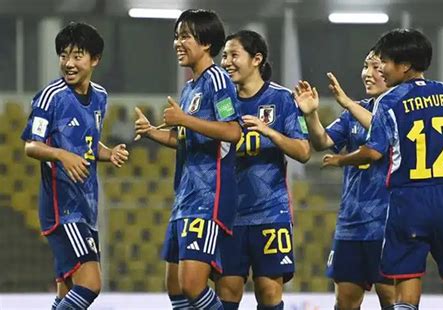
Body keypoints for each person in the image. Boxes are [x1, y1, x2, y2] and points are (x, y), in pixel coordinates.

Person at [322, 29, 443, 310]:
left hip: (407, 204)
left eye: (386, 62)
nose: (381, 68)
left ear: (404, 65)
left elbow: (374, 151)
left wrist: (341, 160)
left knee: (405, 294)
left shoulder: (389, 102)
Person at [134, 9, 241, 310]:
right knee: (176, 286)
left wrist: (184, 119)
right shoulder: (190, 88)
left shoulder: (217, 80)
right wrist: (154, 132)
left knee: (193, 284)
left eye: (185, 36)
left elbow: (233, 132)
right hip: (185, 196)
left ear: (206, 42)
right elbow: (187, 139)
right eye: (176, 36)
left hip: (210, 195)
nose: (177, 43)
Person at [21, 22, 129, 309]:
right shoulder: (51, 97)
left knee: (66, 290)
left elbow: (89, 146)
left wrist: (109, 153)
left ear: (95, 60)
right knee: (90, 283)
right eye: (63, 55)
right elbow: (31, 146)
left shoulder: (101, 97)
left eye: (77, 55)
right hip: (62, 208)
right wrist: (61, 155)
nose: (68, 63)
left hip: (86, 206)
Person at [215, 30, 310, 310]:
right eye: (224, 55)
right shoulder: (221, 101)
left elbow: (303, 152)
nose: (226, 62)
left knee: (269, 291)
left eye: (234, 55)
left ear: (257, 59)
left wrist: (270, 132)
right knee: (227, 290)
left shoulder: (281, 99)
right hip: (228, 214)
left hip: (271, 212)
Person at [294, 49, 395, 310]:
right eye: (365, 66)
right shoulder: (355, 111)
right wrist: (311, 114)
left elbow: (380, 140)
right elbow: (322, 142)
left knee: (393, 301)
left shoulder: (400, 109)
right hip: (351, 223)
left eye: (375, 67)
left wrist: (347, 102)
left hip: (389, 223)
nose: (367, 74)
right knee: (344, 302)